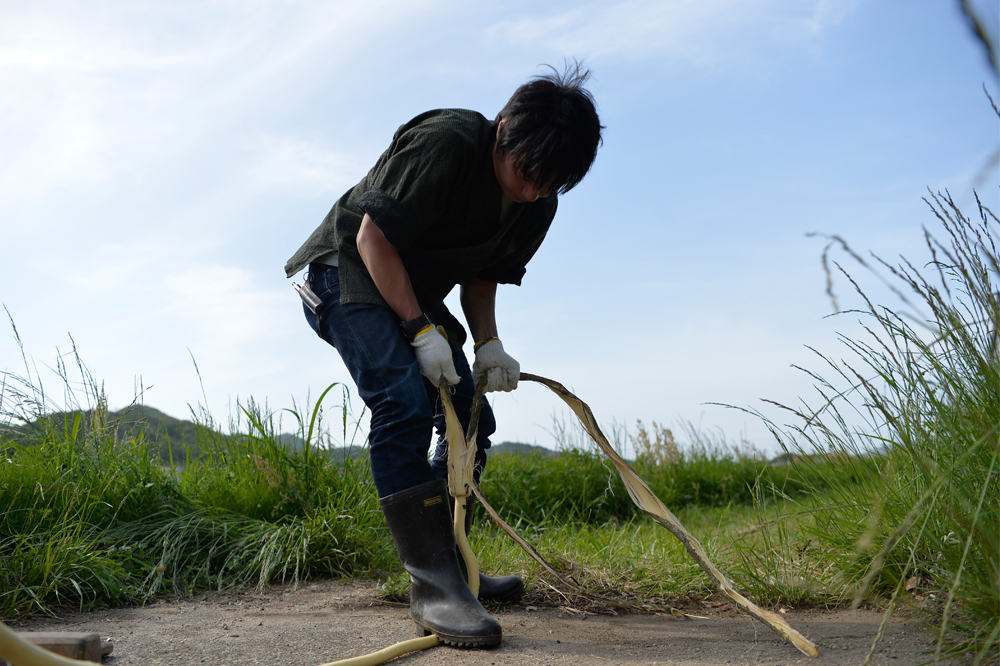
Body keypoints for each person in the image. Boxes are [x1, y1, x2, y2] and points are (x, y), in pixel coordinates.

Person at [284, 63, 603, 647]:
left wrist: (488, 346)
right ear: (504, 129)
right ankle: (433, 586)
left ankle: (453, 566)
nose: (532, 191)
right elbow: (371, 240)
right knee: (402, 401)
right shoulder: (449, 141)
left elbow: (484, 277)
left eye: (550, 184)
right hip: (345, 273)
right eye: (527, 173)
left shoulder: (538, 203)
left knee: (472, 417)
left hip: (414, 295)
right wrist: (420, 331)